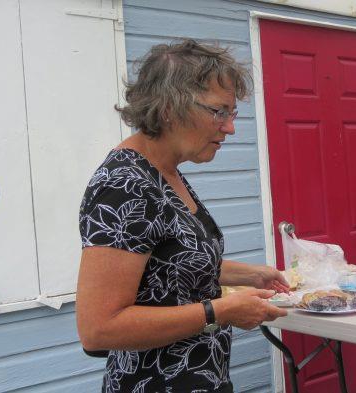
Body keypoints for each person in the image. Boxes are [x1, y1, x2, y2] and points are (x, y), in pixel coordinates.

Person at [76, 39, 289, 393]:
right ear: (170, 107)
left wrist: (253, 275)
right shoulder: (124, 186)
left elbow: (169, 266)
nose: (229, 128)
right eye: (219, 112)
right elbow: (98, 328)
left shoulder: (166, 172)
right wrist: (219, 311)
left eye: (231, 114)